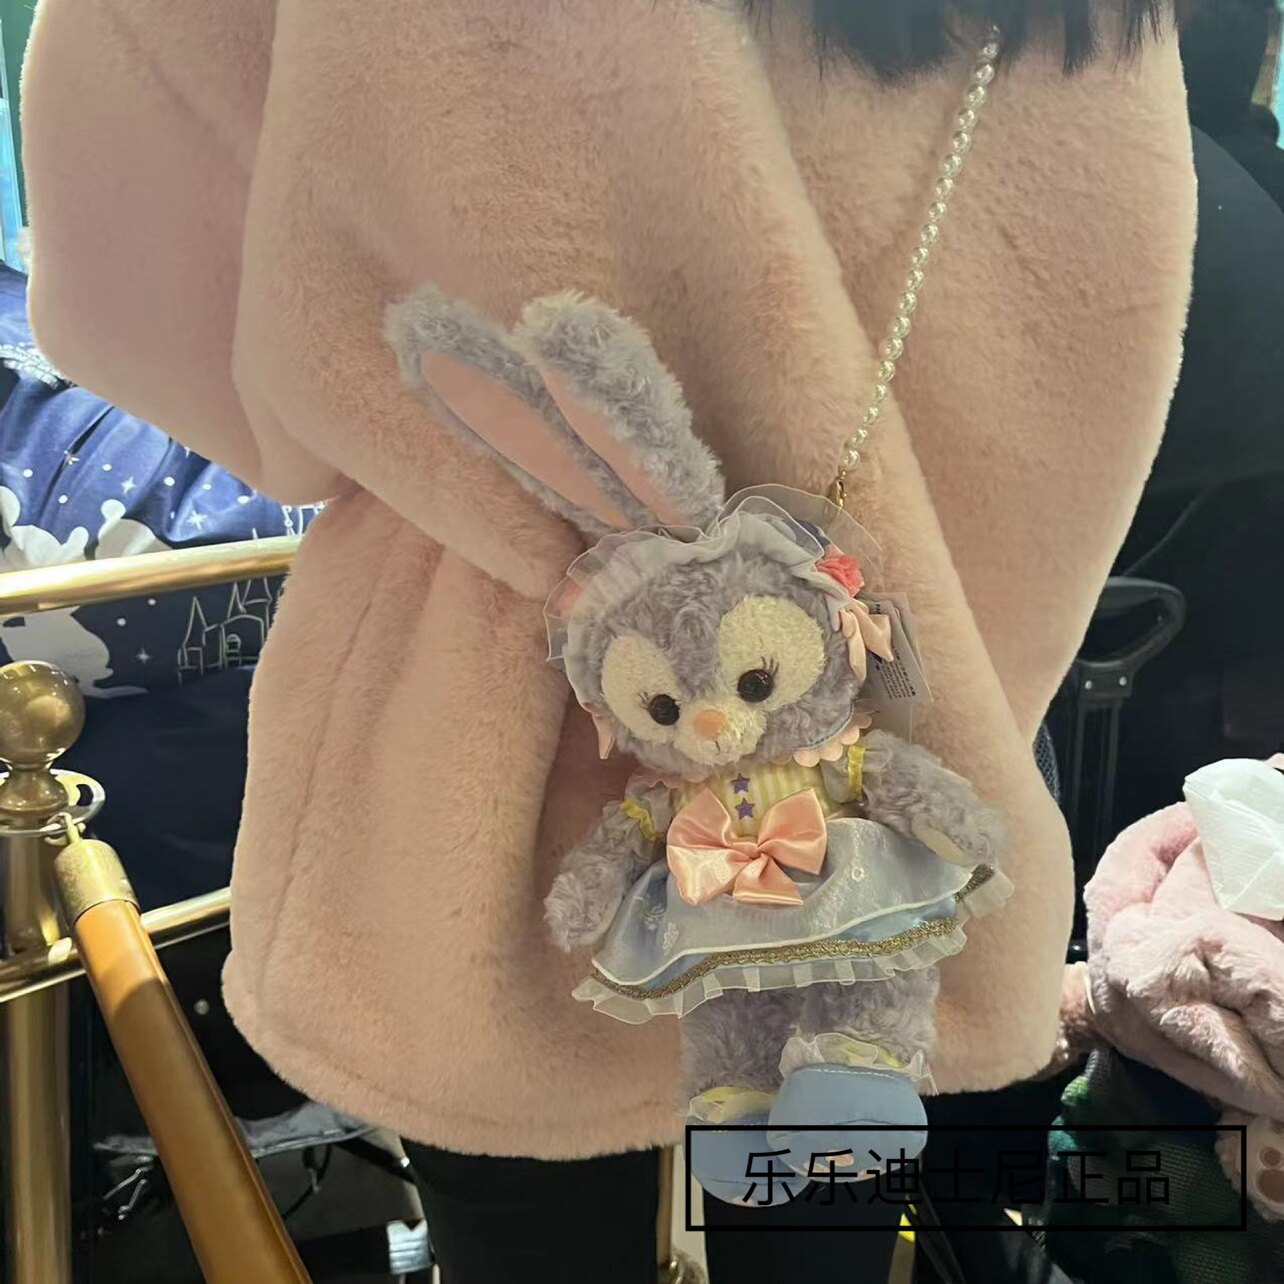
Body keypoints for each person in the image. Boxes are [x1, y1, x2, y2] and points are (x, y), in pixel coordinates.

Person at [20, 1, 1194, 1279]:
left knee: (531, 1223)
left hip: (474, 766)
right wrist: (917, 656)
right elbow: (1088, 396)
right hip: (890, 753)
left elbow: (121, 289)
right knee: (823, 1202)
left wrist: (443, 478)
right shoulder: (1079, 30)